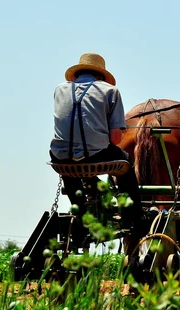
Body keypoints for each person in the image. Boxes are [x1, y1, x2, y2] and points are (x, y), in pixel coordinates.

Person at [49, 52, 144, 230]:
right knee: (126, 162)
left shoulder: (59, 90)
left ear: (76, 75)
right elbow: (115, 139)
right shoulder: (110, 91)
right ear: (101, 76)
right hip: (96, 155)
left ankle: (81, 211)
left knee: (71, 163)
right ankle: (134, 215)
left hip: (60, 158)